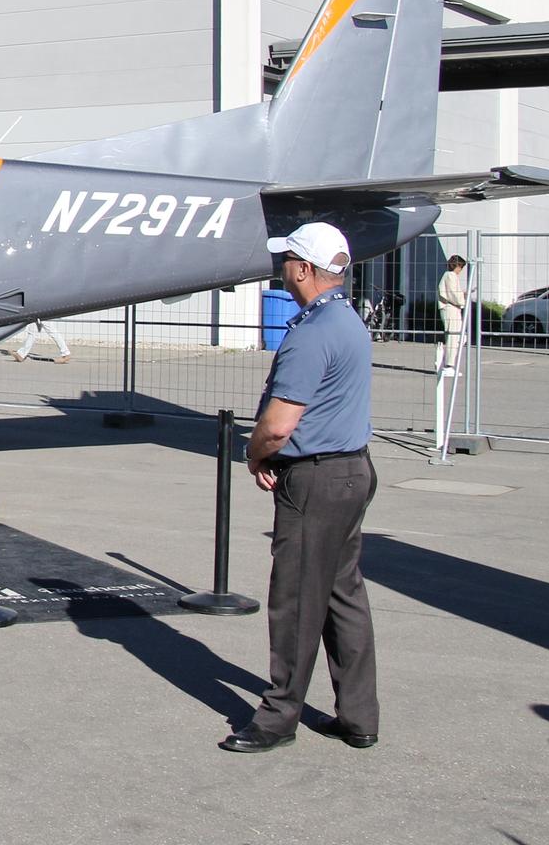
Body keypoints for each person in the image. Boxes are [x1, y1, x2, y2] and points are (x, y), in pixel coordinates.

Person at [222, 220, 379, 754]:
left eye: (287, 261)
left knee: (294, 602)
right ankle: (359, 714)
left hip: (317, 480)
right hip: (351, 470)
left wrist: (255, 452)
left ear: (305, 269)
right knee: (342, 595)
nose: (281, 270)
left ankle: (277, 717)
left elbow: (280, 423)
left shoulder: (311, 333)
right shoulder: (347, 321)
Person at [437, 256, 468, 371]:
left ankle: (448, 363)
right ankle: (448, 364)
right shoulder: (450, 275)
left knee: (459, 337)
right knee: (453, 336)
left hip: (452, 308)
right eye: (461, 267)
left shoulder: (450, 276)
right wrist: (462, 299)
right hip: (450, 308)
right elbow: (453, 294)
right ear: (457, 265)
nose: (461, 270)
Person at [0, 319, 71, 364]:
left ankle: (66, 354)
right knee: (32, 331)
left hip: (42, 309)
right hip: (39, 309)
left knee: (52, 331)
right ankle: (21, 354)